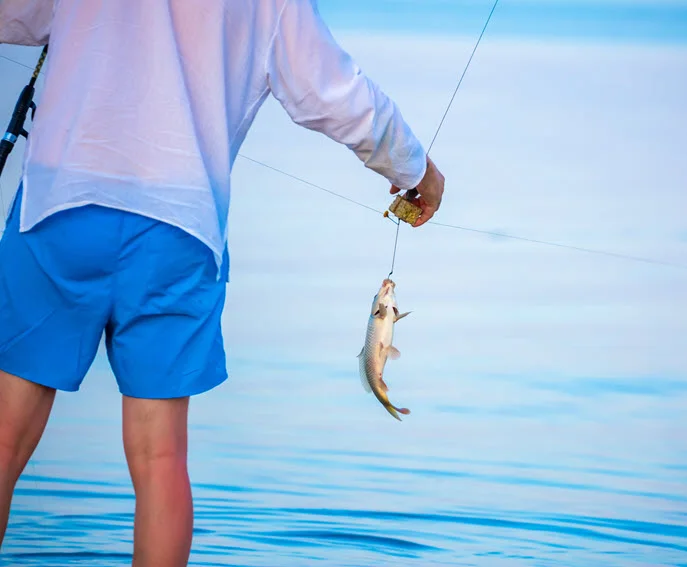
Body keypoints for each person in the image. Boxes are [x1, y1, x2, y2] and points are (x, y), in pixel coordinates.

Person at [0, 0, 445, 564]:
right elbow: (335, 93)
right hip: (179, 227)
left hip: (58, 204)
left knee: (4, 438)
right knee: (161, 460)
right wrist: (416, 170)